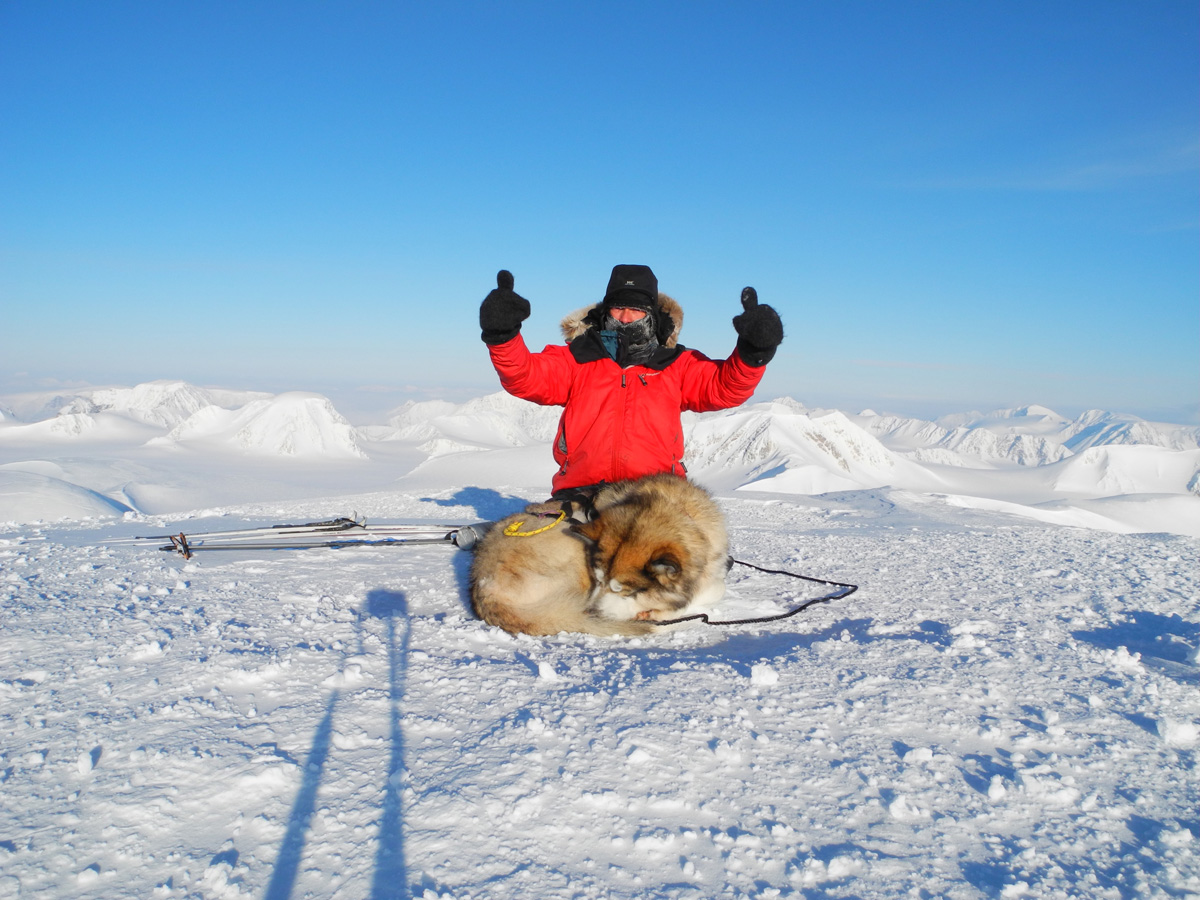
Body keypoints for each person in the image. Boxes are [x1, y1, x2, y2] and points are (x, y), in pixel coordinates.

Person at [478, 263, 783, 499]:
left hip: (658, 496)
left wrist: (754, 350)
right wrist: (502, 336)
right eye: (618, 306)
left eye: (636, 309)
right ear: (604, 310)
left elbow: (725, 388)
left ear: (652, 315)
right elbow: (524, 376)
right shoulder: (577, 358)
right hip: (581, 492)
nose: (625, 317)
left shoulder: (676, 364)